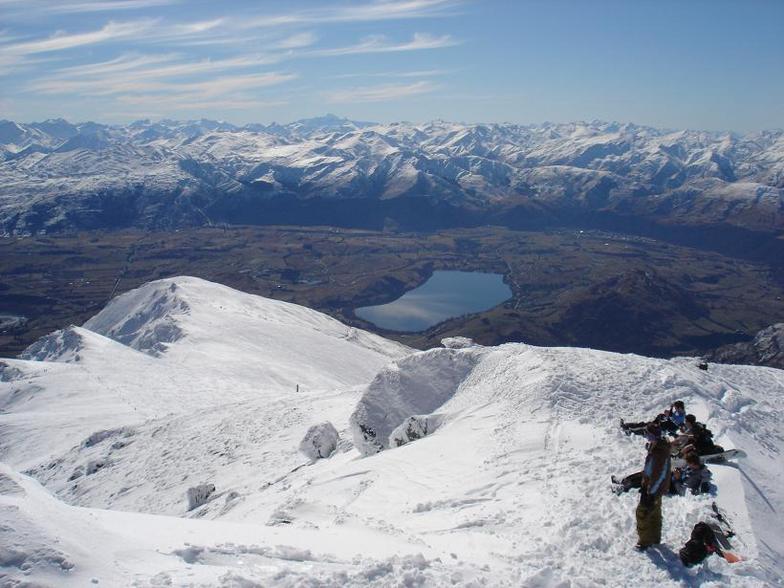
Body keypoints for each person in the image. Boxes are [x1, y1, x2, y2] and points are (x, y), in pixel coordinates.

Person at [636, 423, 672, 551]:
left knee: (642, 513)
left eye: (648, 435)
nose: (647, 437)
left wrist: (651, 493)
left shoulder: (660, 452)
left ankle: (645, 542)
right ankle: (655, 539)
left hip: (654, 489)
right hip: (653, 487)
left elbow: (660, 475)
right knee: (655, 512)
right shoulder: (656, 446)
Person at [621, 401, 686, 437]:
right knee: (644, 426)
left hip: (663, 429)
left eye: (676, 408)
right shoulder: (679, 412)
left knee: (645, 428)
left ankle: (628, 429)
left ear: (680, 408)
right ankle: (628, 427)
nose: (675, 409)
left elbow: (672, 417)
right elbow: (671, 416)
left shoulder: (681, 415)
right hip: (663, 425)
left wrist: (669, 413)